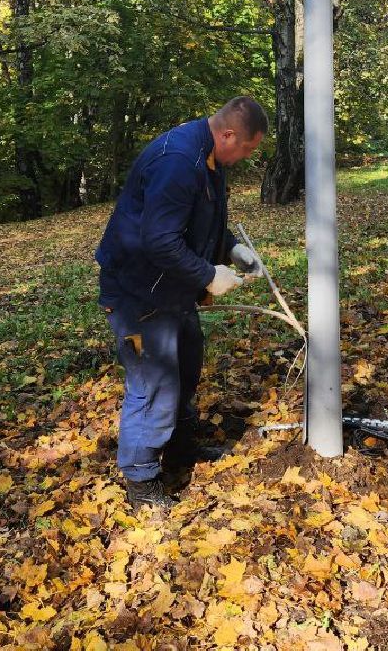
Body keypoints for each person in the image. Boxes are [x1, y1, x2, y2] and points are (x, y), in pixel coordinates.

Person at [95, 96, 268, 510]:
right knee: (154, 387)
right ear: (227, 134)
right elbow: (158, 240)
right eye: (244, 149)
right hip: (140, 294)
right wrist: (209, 275)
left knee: (186, 371)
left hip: (173, 290)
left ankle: (180, 451)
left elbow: (198, 223)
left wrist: (231, 250)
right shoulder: (178, 162)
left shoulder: (211, 159)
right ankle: (142, 484)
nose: (244, 158)